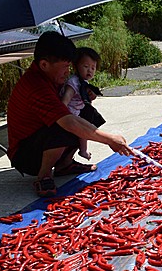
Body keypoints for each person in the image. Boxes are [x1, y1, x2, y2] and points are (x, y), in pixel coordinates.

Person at [7, 31, 133, 197]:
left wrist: (82, 95)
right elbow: (69, 122)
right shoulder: (35, 87)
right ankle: (43, 175)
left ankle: (64, 165)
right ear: (44, 65)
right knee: (64, 126)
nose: (68, 72)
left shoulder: (50, 76)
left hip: (39, 138)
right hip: (25, 155)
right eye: (65, 67)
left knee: (86, 112)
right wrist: (109, 139)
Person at [61, 46, 105, 162]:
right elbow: (65, 100)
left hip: (77, 111)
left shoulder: (83, 82)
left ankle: (79, 151)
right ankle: (83, 151)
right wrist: (63, 116)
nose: (89, 70)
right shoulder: (73, 82)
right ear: (76, 66)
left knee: (90, 121)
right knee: (83, 130)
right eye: (86, 67)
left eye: (93, 68)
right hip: (70, 114)